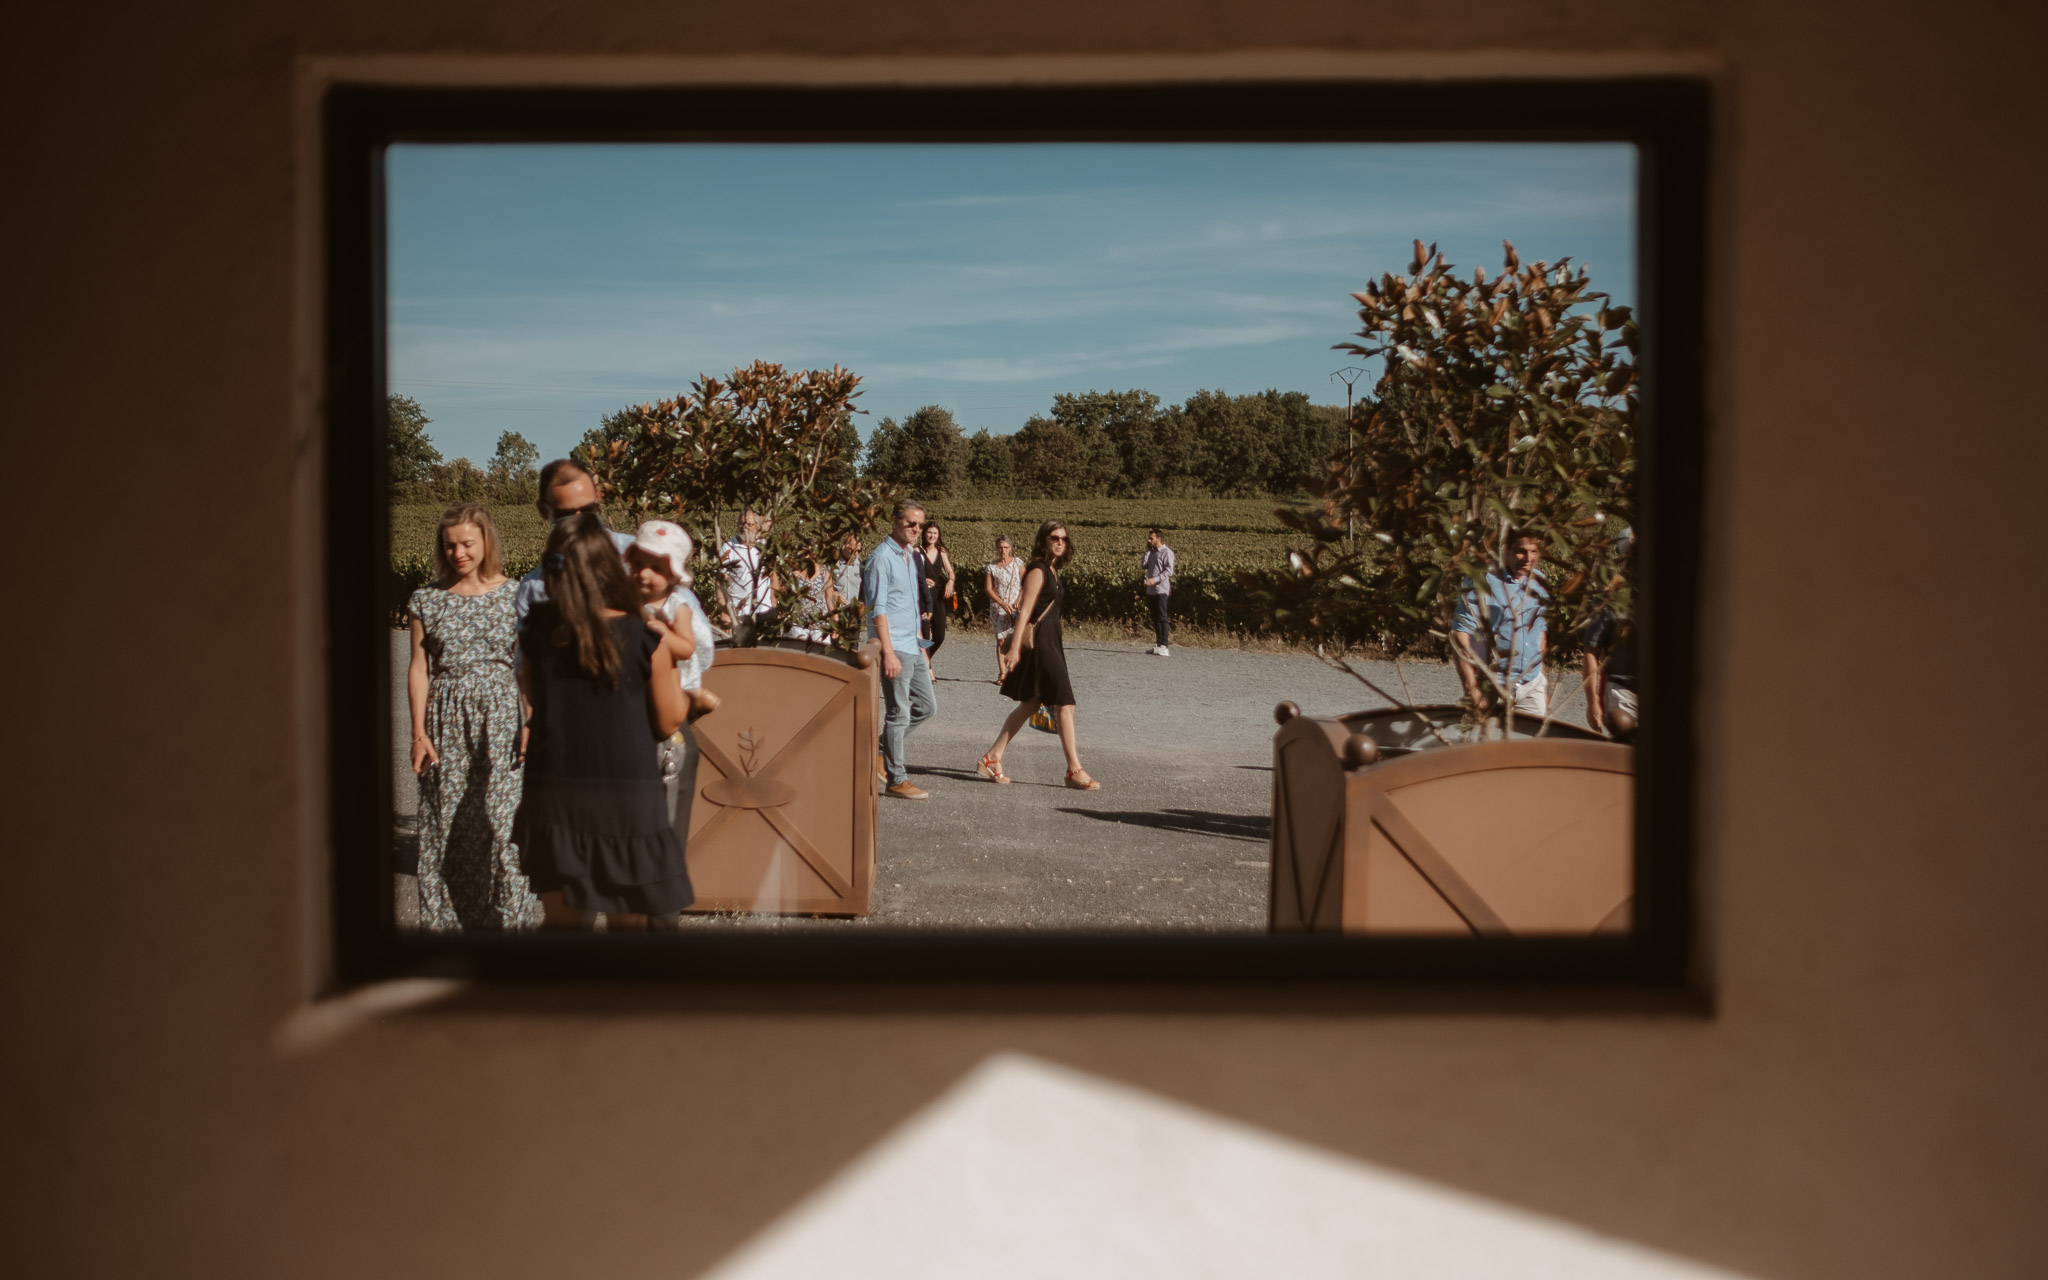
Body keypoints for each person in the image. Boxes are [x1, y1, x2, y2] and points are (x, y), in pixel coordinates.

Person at [514, 511, 693, 927]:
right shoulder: (646, 635)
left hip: (554, 790)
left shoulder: (537, 629)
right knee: (625, 937)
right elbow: (668, 722)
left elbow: (533, 696)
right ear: (611, 566)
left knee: (562, 929)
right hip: (624, 797)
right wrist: (690, 699)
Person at [405, 503, 542, 931]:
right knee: (449, 827)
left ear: (486, 541)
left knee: (505, 830)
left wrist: (530, 720)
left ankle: (511, 929)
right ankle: (451, 933)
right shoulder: (426, 599)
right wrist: (417, 733)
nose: (458, 553)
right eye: (450, 546)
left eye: (467, 543)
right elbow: (417, 668)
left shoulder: (515, 594)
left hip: (501, 717)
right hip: (445, 719)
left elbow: (526, 666)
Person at [980, 520, 1099, 790]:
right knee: (1065, 703)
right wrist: (1012, 649)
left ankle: (992, 757)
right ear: (1043, 541)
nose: (1060, 542)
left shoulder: (1053, 570)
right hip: (1041, 644)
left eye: (1064, 539)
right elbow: (1025, 610)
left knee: (1032, 703)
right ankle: (1074, 770)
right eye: (1054, 537)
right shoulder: (1037, 569)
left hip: (1051, 641)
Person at [862, 500, 937, 800]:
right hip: (894, 646)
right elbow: (877, 610)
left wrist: (922, 644)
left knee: (927, 707)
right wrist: (888, 653)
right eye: (911, 524)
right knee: (898, 713)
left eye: (920, 525)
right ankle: (897, 779)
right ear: (895, 522)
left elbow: (910, 604)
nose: (917, 529)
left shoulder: (910, 555)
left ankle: (881, 749)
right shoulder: (881, 558)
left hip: (913, 644)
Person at [514, 459, 636, 631]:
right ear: (543, 510)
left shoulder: (634, 556)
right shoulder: (533, 587)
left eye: (588, 510)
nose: (579, 521)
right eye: (566, 514)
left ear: (598, 496)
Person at [1451, 527, 1550, 726]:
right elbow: (1460, 635)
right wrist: (1472, 690)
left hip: (1531, 684)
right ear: (1504, 550)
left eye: (1533, 552)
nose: (1527, 558)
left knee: (1531, 752)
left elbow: (1539, 634)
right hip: (1492, 683)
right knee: (1485, 749)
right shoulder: (1483, 581)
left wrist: (1541, 683)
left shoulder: (1539, 582)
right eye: (1520, 551)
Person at [720, 507, 778, 646]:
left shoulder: (765, 546)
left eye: (750, 524)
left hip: (765, 610)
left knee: (767, 652)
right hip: (739, 612)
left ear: (758, 527)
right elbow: (720, 581)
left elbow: (773, 575)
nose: (745, 527)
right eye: (741, 523)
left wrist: (774, 605)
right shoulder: (728, 548)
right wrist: (724, 610)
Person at [984, 534, 1023, 683]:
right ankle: (1002, 673)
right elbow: (988, 589)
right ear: (996, 548)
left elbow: (1025, 583)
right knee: (1001, 640)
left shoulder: (1018, 563)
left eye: (1006, 547)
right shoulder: (991, 567)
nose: (1003, 550)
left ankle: (1016, 671)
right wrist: (1001, 603)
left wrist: (1019, 600)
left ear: (1010, 548)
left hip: (1016, 606)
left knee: (1017, 639)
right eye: (1000, 548)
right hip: (999, 608)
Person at [917, 521, 956, 662]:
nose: (932, 535)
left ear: (938, 535)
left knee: (940, 636)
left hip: (938, 597)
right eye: (929, 532)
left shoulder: (942, 552)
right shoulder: (917, 551)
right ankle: (927, 668)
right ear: (924, 533)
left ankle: (922, 660)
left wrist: (950, 582)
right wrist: (921, 580)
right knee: (925, 635)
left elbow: (951, 572)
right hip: (923, 597)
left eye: (935, 533)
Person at [1140, 527, 1175, 656]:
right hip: (1151, 591)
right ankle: (1158, 644)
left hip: (1161, 589)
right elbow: (1143, 565)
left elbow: (1169, 571)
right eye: (1149, 538)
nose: (1149, 540)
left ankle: (1164, 646)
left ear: (1159, 539)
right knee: (1155, 618)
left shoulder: (1167, 552)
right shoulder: (1152, 552)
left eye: (1151, 538)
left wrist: (1155, 579)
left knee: (1162, 617)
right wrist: (1148, 551)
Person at [829, 532, 864, 614]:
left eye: (858, 551)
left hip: (853, 615)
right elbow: (823, 588)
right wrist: (834, 595)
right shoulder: (832, 564)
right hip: (835, 612)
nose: (855, 554)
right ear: (843, 546)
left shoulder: (860, 565)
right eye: (851, 550)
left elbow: (863, 591)